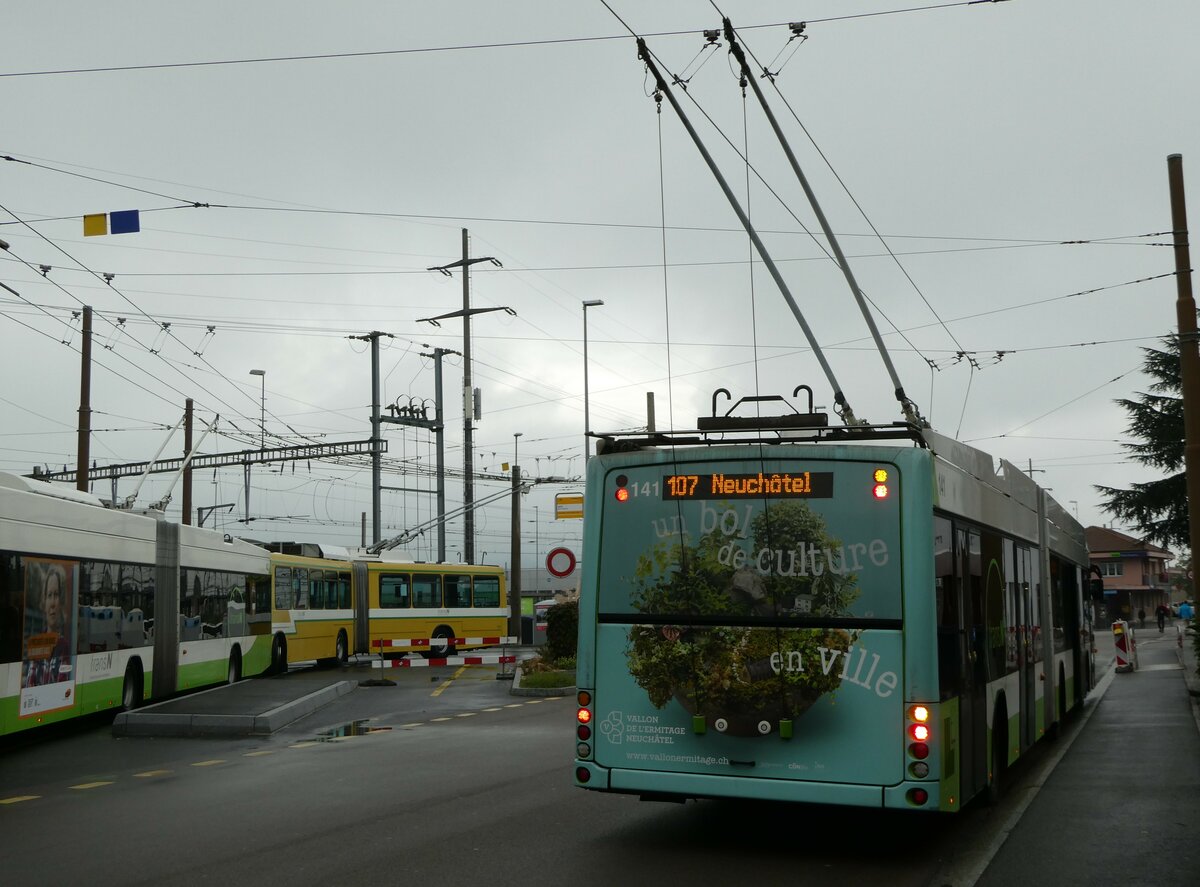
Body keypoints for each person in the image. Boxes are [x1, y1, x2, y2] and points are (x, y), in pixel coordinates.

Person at [22, 562, 72, 688]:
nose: (53, 603)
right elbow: (30, 682)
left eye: (56, 595)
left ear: (61, 601)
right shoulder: (37, 642)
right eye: (49, 595)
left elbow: (62, 686)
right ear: (44, 602)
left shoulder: (64, 646)